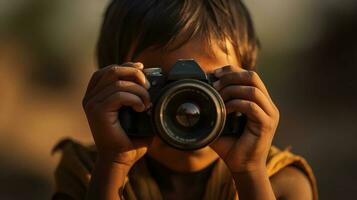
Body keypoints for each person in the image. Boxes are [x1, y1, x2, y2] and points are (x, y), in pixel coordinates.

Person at [52, 0, 318, 199]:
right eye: (163, 83)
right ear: (114, 83)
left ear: (247, 85)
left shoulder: (280, 180)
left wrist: (250, 171)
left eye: (208, 83)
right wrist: (113, 163)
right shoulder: (87, 171)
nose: (187, 106)